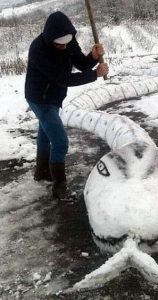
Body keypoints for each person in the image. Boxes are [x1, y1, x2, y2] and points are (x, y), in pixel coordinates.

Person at [25, 11, 109, 200]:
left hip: (53, 97)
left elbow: (80, 63)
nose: (63, 47)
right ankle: (59, 186)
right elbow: (63, 78)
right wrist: (95, 75)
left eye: (66, 43)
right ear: (50, 39)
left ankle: (41, 172)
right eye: (59, 44)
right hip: (40, 99)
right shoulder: (39, 50)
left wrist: (93, 57)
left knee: (45, 134)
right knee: (60, 140)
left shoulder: (68, 41)